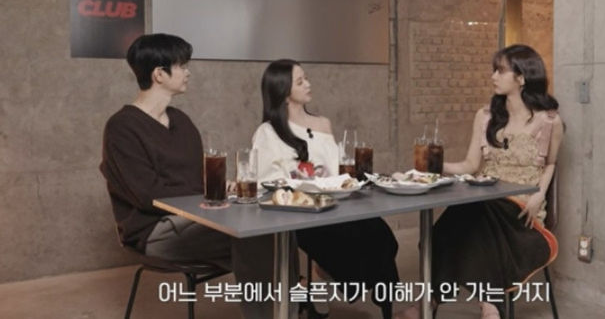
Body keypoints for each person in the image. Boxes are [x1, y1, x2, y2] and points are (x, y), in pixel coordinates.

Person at [100, 33, 293, 319]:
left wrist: (221, 188)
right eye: (181, 66)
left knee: (277, 229)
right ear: (159, 74)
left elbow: (197, 180)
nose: (188, 72)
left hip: (199, 216)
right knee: (256, 236)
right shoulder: (122, 128)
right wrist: (209, 193)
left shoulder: (181, 121)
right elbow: (147, 194)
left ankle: (287, 309)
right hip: (155, 230)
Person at [397, 44, 563, 319]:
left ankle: (432, 303)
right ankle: (487, 305)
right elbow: (471, 166)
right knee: (461, 222)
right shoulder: (485, 117)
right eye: (493, 70)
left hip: (523, 207)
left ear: (521, 78)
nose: (493, 76)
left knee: (469, 218)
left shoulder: (549, 121)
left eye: (500, 71)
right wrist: (435, 167)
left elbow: (551, 164)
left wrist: (539, 195)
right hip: (486, 201)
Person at [251, 59, 400, 319]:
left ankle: (338, 284)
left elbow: (335, 171)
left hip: (336, 204)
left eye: (306, 78)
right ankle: (322, 280)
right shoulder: (267, 132)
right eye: (300, 81)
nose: (308, 84)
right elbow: (263, 180)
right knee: (346, 241)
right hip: (300, 212)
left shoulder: (322, 123)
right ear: (283, 91)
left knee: (381, 235)